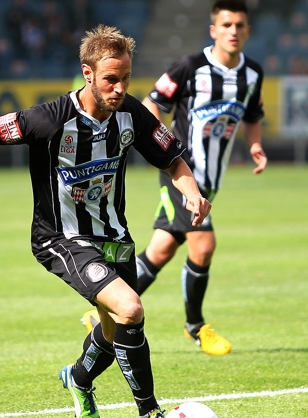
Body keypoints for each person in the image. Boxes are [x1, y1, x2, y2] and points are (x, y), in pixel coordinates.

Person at [0, 25, 211, 418]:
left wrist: (192, 192)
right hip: (60, 238)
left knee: (115, 327)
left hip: (114, 236)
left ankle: (78, 378)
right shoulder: (47, 119)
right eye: (110, 79)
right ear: (88, 74)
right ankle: (151, 413)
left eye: (125, 79)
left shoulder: (131, 114)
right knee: (131, 309)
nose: (119, 88)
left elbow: (173, 159)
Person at [80, 0, 267, 356]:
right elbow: (152, 104)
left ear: (247, 30)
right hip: (180, 172)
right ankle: (196, 327)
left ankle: (102, 311)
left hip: (209, 180)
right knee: (204, 245)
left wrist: (255, 145)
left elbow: (253, 115)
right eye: (226, 24)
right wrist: (162, 149)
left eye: (239, 25)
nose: (233, 31)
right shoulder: (190, 67)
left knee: (162, 249)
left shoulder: (253, 74)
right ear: (213, 29)